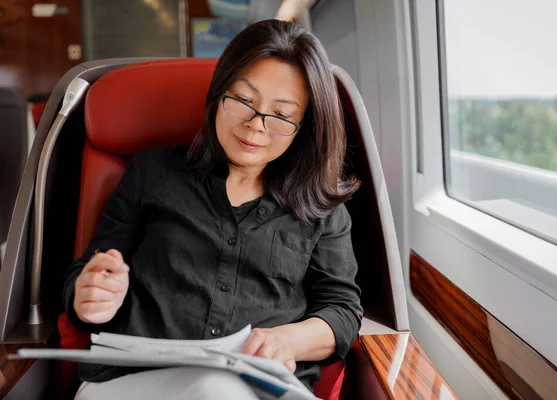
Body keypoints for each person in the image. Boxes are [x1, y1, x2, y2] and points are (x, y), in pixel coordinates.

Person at [65, 19, 362, 399]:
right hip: (134, 381)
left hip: (258, 387)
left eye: (282, 116)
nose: (256, 126)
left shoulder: (322, 206)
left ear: (305, 126)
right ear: (219, 93)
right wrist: (90, 296)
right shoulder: (151, 172)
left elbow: (342, 310)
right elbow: (90, 270)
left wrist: (287, 341)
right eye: (243, 101)